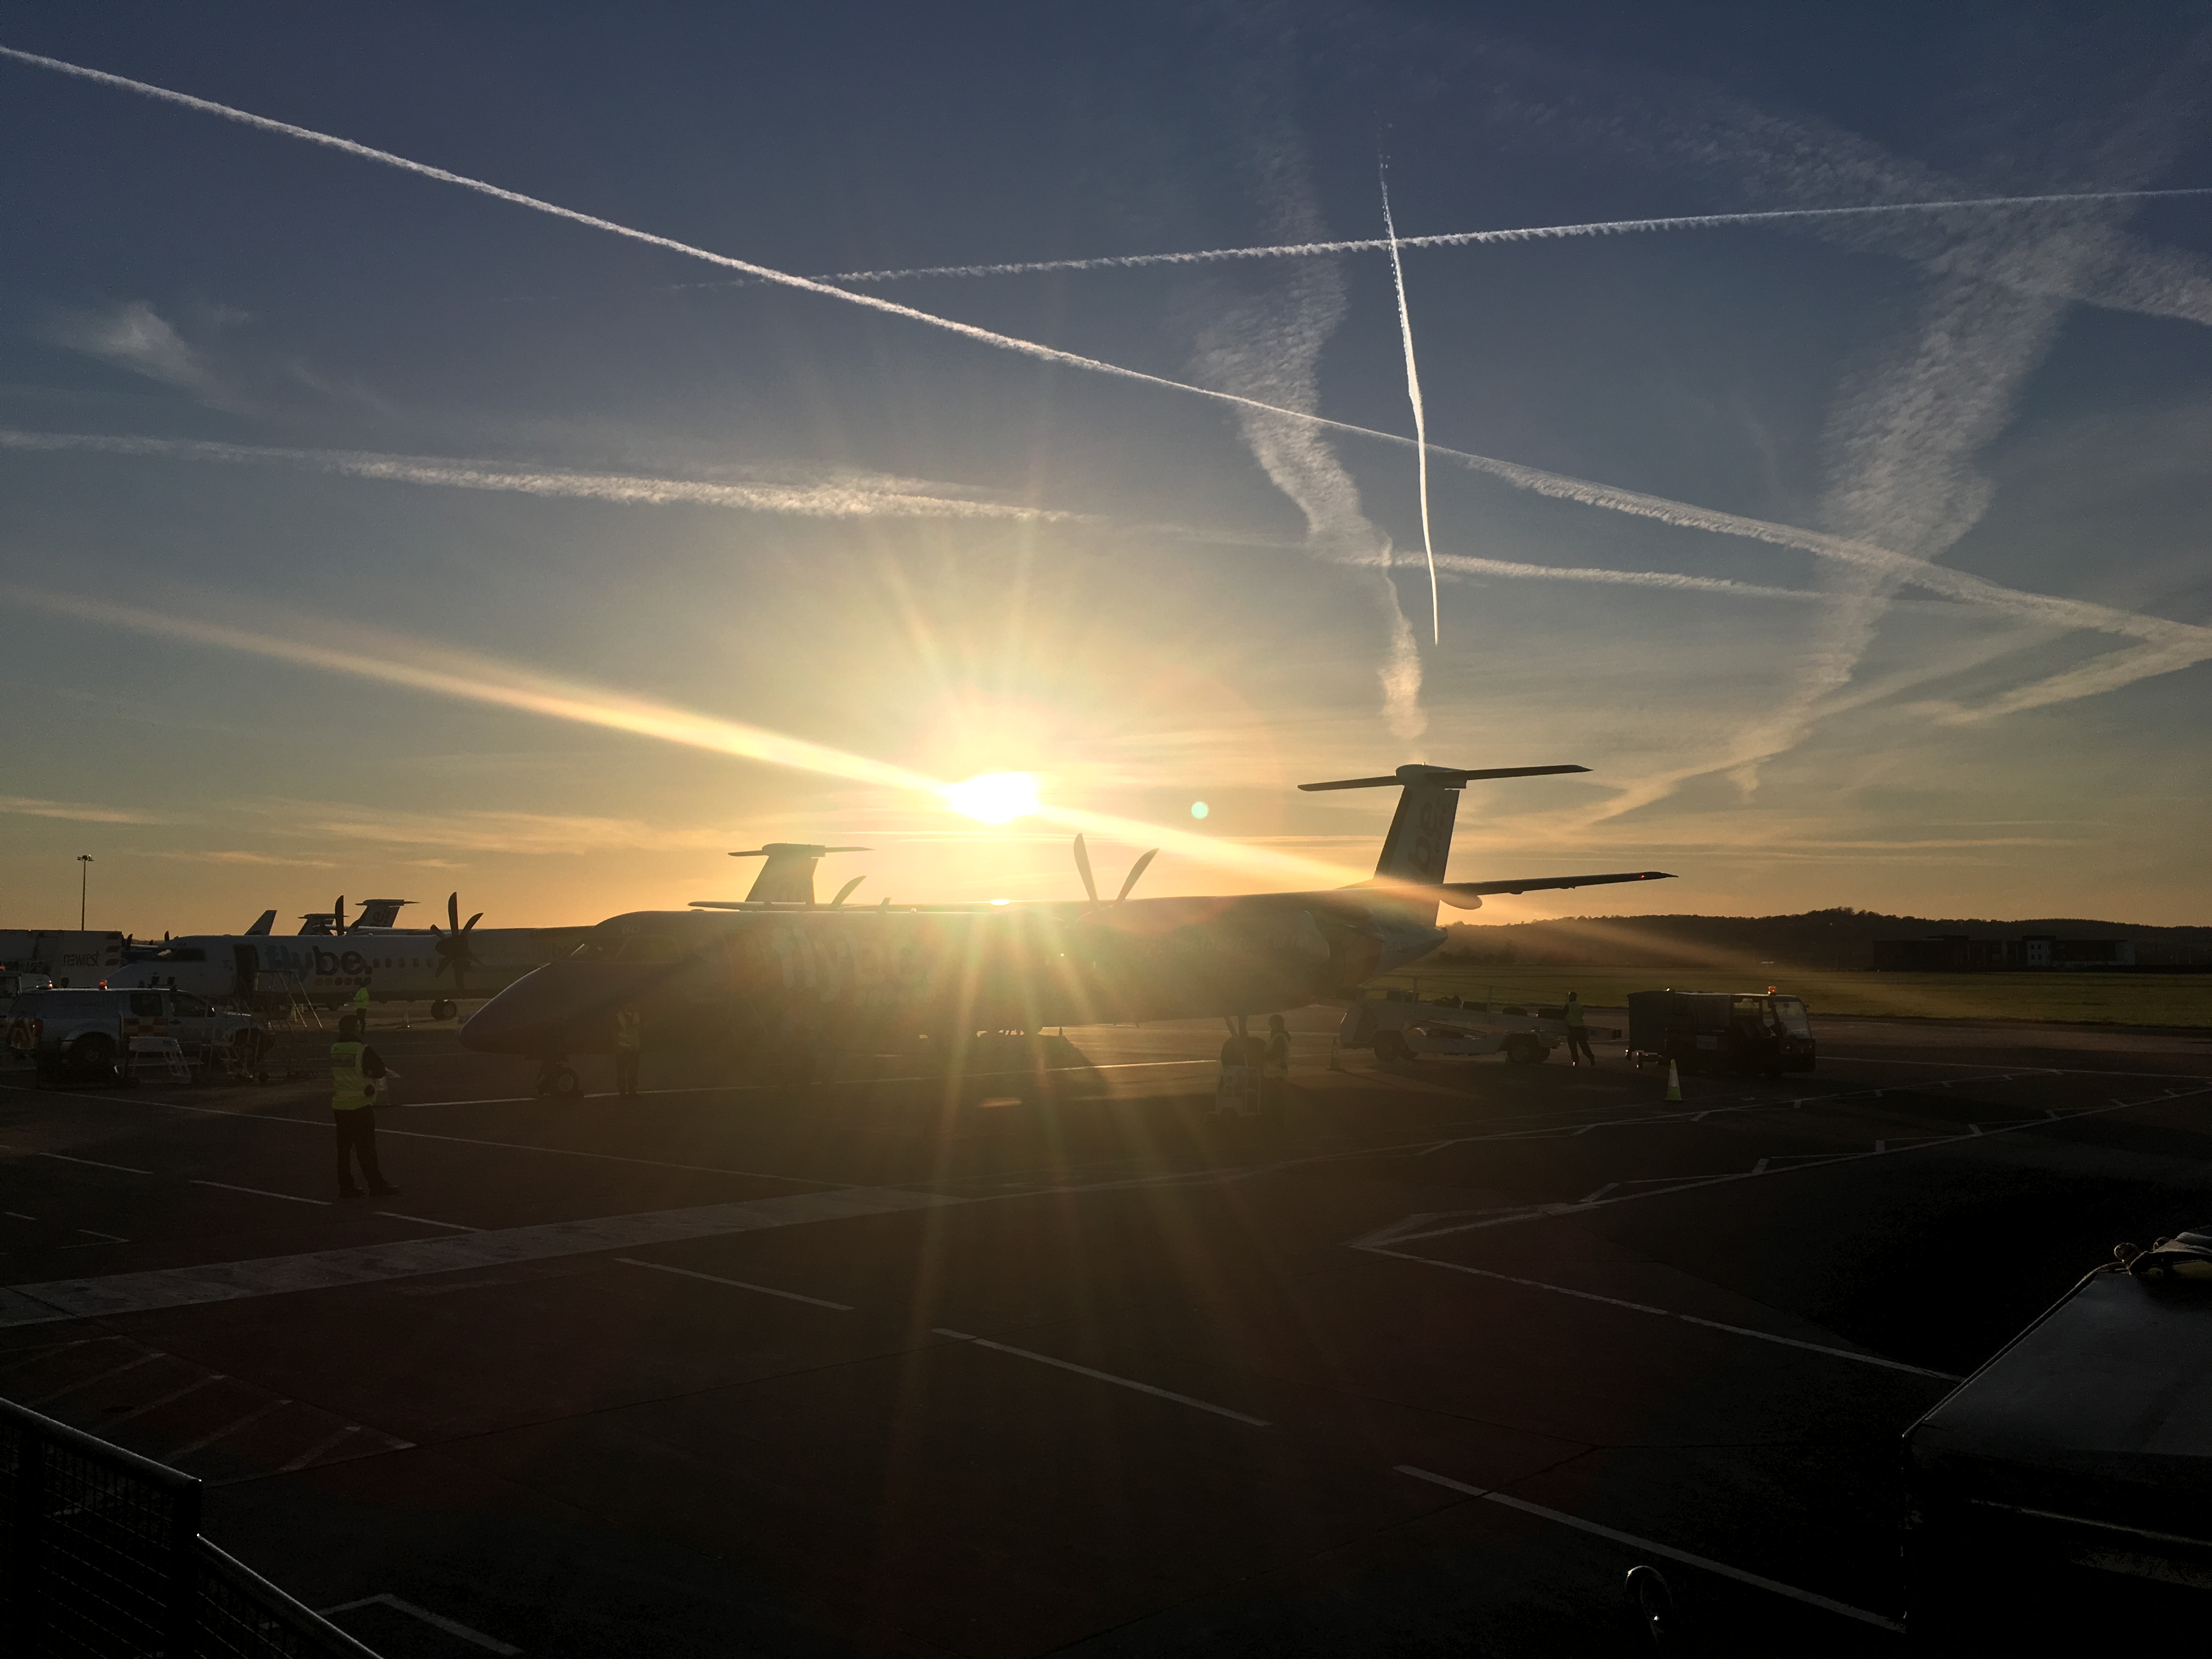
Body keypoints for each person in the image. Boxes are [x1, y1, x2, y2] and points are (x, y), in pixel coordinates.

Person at [330, 1014, 396, 1197]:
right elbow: (380, 1070)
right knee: (366, 1150)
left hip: (340, 1106)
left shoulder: (334, 1049)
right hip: (359, 1106)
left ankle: (346, 1187)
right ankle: (376, 1185)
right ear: (355, 1028)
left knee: (343, 1151)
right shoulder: (362, 1050)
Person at [1260, 1013, 1292, 1114]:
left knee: (1276, 1099)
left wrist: (1262, 1057)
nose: (1271, 1027)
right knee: (1276, 1098)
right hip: (1274, 1073)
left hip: (1276, 1073)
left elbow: (1276, 1054)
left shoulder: (1279, 1038)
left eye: (1272, 1025)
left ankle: (1276, 1122)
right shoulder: (1279, 1036)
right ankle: (1276, 1120)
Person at [613, 1002, 644, 1098]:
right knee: (622, 1071)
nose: (631, 1006)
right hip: (623, 1049)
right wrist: (617, 1047)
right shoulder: (619, 1017)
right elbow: (615, 1033)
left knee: (633, 1070)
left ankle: (632, 1090)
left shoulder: (637, 1015)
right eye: (629, 1004)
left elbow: (640, 1030)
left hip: (634, 1049)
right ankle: (622, 1092)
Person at [1563, 990, 1596, 1067]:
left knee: (1573, 1046)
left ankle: (1576, 1060)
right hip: (1581, 1028)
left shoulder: (1568, 1006)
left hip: (1572, 1028)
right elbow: (1581, 1015)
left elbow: (1564, 1017)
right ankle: (1591, 1058)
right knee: (1584, 1045)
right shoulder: (1579, 1005)